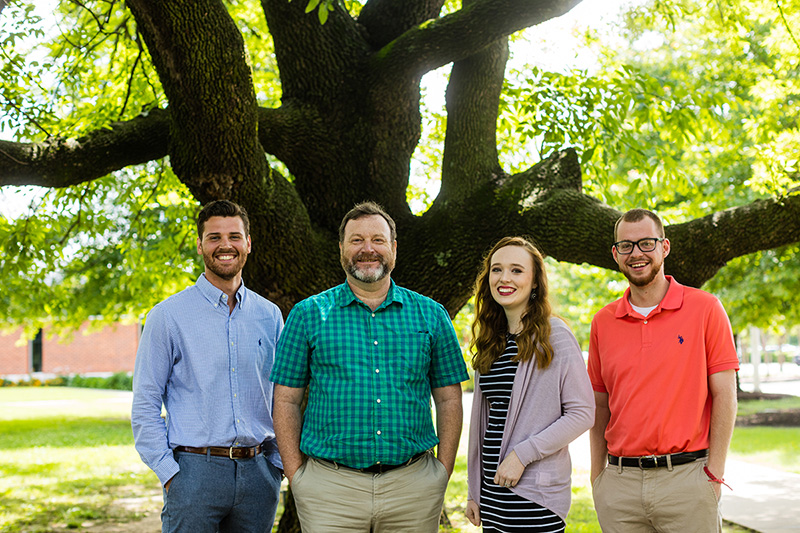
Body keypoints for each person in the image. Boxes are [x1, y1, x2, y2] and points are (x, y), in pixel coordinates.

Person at [271, 201, 469, 533]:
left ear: (393, 248)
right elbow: (285, 400)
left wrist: (442, 472)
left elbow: (449, 398)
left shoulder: (431, 315)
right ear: (341, 250)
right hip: (329, 491)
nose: (368, 249)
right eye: (356, 240)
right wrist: (298, 476)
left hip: (413, 488)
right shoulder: (307, 314)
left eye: (378, 240)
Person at [131, 200, 283, 533]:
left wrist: (276, 466)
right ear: (200, 245)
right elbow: (145, 404)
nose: (225, 245)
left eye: (234, 236)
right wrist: (171, 475)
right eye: (214, 237)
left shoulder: (270, 316)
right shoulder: (168, 316)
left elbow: (281, 398)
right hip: (193, 473)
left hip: (259, 474)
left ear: (248, 243)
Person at [588, 208, 739, 532]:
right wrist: (596, 476)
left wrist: (714, 474)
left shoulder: (705, 308)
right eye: (626, 246)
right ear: (616, 254)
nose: (636, 253)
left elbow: (725, 394)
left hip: (687, 480)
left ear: (664, 247)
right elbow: (599, 404)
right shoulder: (603, 321)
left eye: (646, 243)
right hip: (620, 485)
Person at [465, 236, 595, 533]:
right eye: (496, 270)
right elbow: (483, 423)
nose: (504, 278)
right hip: (493, 492)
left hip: (534, 494)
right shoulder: (491, 340)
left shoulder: (555, 336)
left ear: (535, 282)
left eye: (516, 270)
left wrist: (522, 455)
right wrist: (475, 490)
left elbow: (582, 413)